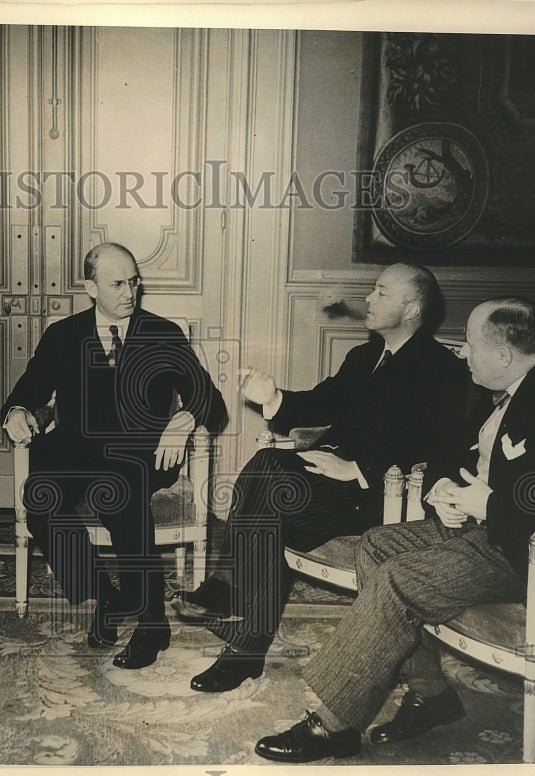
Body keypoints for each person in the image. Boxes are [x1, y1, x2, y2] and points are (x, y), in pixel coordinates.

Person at [253, 297, 535, 762]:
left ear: (504, 355)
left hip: (531, 552)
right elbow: (455, 446)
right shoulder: (510, 385)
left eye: (469, 343)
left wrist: (485, 503)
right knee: (377, 545)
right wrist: (445, 487)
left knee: (398, 580)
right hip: (486, 528)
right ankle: (431, 695)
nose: (462, 352)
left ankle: (332, 723)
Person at [175, 263, 467, 693]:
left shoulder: (443, 370)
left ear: (411, 308)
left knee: (272, 503)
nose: (367, 299)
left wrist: (359, 470)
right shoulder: (364, 357)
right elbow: (321, 403)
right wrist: (274, 398)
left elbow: (441, 450)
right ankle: (234, 600)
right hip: (339, 482)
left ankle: (245, 636)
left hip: (382, 496)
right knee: (266, 465)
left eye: (381, 292)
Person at [1, 242, 227, 670]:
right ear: (90, 287)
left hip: (143, 453)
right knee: (39, 497)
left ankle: (152, 622)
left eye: (135, 282)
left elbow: (209, 399)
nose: (130, 292)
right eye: (117, 284)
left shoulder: (162, 333)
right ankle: (106, 596)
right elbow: (25, 392)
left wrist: (182, 422)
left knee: (118, 489)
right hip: (76, 451)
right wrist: (15, 412)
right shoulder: (63, 336)